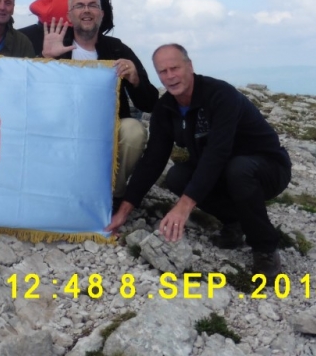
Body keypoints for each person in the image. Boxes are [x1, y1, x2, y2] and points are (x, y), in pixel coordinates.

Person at [107, 44, 293, 278]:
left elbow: (217, 153)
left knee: (239, 169)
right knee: (177, 177)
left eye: (174, 68)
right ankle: (234, 220)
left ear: (190, 66)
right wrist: (124, 210)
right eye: (163, 72)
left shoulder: (220, 95)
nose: (170, 76)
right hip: (225, 171)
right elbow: (152, 161)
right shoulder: (166, 109)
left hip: (268, 168)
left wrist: (183, 208)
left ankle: (265, 247)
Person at [42, 0, 155, 202]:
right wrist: (46, 59)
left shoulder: (117, 49)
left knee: (134, 130)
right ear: (69, 15)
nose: (87, 10)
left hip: (107, 131)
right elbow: (35, 95)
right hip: (62, 132)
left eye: (93, 5)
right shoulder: (56, 45)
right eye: (80, 6)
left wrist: (135, 79)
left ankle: (113, 195)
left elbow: (149, 102)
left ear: (102, 14)